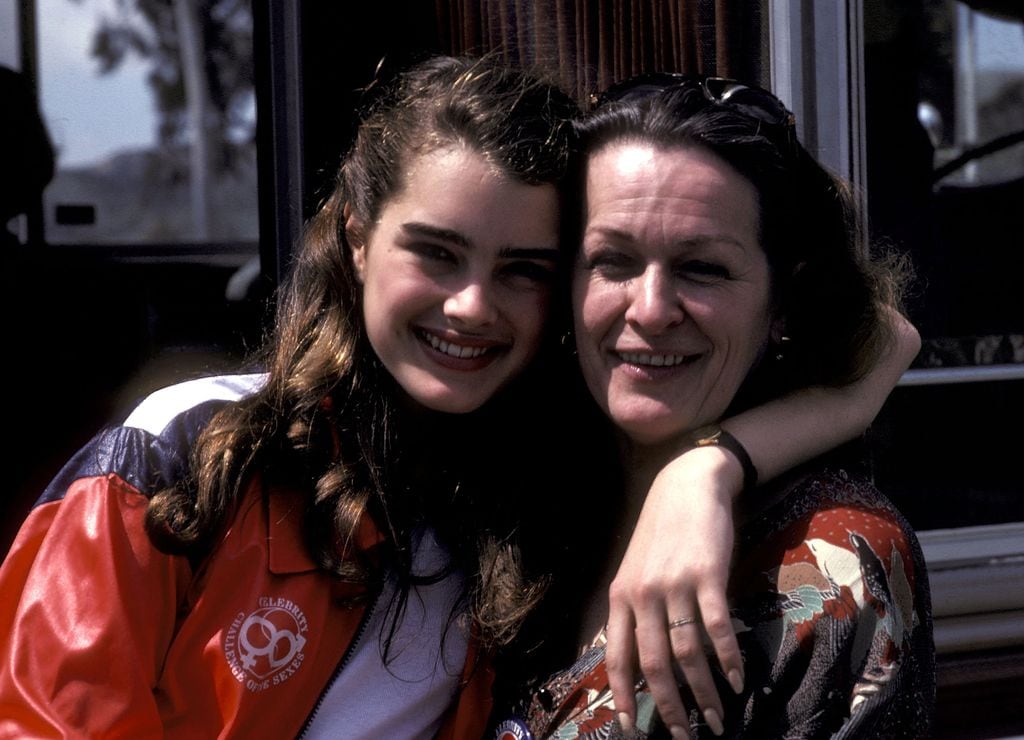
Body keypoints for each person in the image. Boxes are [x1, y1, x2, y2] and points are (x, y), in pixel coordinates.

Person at [0, 57, 918, 738]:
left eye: (523, 269)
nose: (473, 306)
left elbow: (888, 333)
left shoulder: (538, 497)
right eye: (435, 252)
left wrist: (708, 470)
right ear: (356, 239)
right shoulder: (197, 453)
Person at [495, 74, 934, 739]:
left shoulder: (832, 573)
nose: (649, 309)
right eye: (613, 260)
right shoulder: (520, 488)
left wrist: (704, 465)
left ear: (784, 301)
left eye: (702, 268)